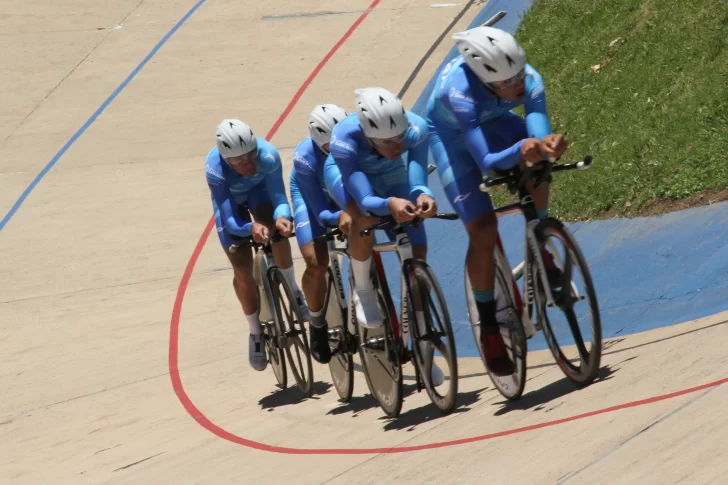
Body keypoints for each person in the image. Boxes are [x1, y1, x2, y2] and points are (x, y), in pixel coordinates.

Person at [425, 26, 568, 376]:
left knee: (537, 163)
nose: (519, 85)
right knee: (483, 228)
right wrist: (520, 148)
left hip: (493, 120)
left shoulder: (528, 77)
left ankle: (542, 241)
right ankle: (488, 324)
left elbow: (537, 128)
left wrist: (545, 146)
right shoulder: (458, 91)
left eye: (520, 75)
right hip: (454, 138)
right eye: (508, 83)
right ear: (485, 80)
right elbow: (487, 161)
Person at [324, 87, 444, 386]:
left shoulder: (415, 129)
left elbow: (417, 181)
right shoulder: (345, 139)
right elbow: (365, 198)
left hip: (389, 173)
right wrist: (389, 204)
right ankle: (363, 287)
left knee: (418, 247)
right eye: (386, 142)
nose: (396, 145)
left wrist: (422, 196)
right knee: (362, 219)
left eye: (399, 138)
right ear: (367, 135)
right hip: (349, 177)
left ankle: (421, 346)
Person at [206, 118, 309, 372]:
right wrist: (248, 228)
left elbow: (279, 198)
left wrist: (282, 217)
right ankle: (255, 332)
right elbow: (229, 219)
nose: (248, 164)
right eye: (239, 162)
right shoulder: (215, 169)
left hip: (259, 193)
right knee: (242, 268)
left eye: (251, 156)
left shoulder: (269, 156)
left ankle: (293, 287)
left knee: (276, 231)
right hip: (231, 203)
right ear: (226, 159)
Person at [289, 104, 351, 365]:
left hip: (339, 195)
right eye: (328, 148)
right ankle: (316, 323)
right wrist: (341, 217)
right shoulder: (305, 157)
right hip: (313, 201)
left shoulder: (353, 139)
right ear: (317, 143)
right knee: (316, 262)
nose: (335, 152)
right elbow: (321, 214)